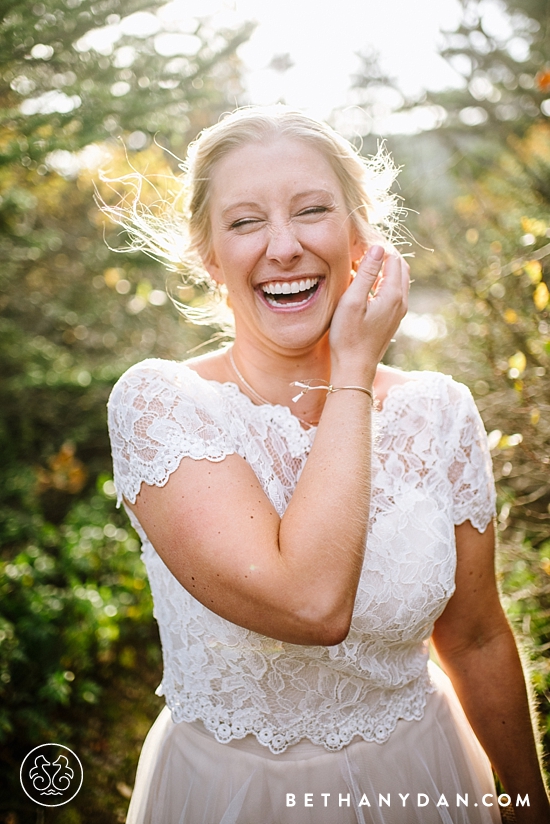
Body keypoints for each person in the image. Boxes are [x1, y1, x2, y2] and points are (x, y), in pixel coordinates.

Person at [106, 106, 549, 824]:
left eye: (311, 211)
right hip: (230, 799)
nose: (283, 247)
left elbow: (475, 635)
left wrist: (531, 805)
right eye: (246, 222)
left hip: (426, 780)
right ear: (208, 256)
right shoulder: (162, 404)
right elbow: (312, 605)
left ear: (358, 237)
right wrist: (354, 368)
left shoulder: (439, 411)